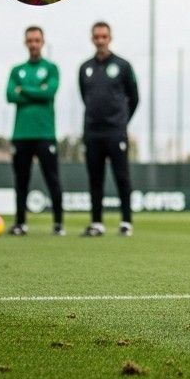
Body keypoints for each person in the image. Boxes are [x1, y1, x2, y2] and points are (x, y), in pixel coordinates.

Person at [78, 22, 139, 237]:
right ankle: (97, 223)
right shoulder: (85, 67)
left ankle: (126, 222)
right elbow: (84, 96)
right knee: (95, 179)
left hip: (116, 132)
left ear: (110, 38)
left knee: (122, 177)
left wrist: (122, 122)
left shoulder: (123, 65)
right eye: (97, 37)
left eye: (104, 36)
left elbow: (135, 98)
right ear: (92, 38)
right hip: (92, 132)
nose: (100, 40)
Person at [6, 26, 64, 236]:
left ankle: (58, 224)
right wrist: (36, 91)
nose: (33, 44)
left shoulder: (51, 68)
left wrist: (25, 90)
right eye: (30, 40)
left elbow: (49, 92)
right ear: (25, 42)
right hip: (21, 135)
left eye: (37, 40)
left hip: (45, 134)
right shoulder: (17, 70)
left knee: (53, 180)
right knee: (21, 181)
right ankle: (20, 223)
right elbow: (10, 95)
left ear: (43, 42)